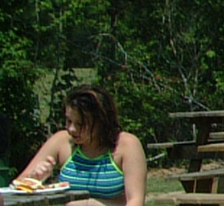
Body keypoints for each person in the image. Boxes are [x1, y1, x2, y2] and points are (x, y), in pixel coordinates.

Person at [13, 86, 147, 206]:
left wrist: (90, 204)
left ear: (102, 122)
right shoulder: (62, 141)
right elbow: (16, 185)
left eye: (80, 124)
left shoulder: (126, 145)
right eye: (69, 121)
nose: (71, 129)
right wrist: (35, 178)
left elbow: (135, 200)